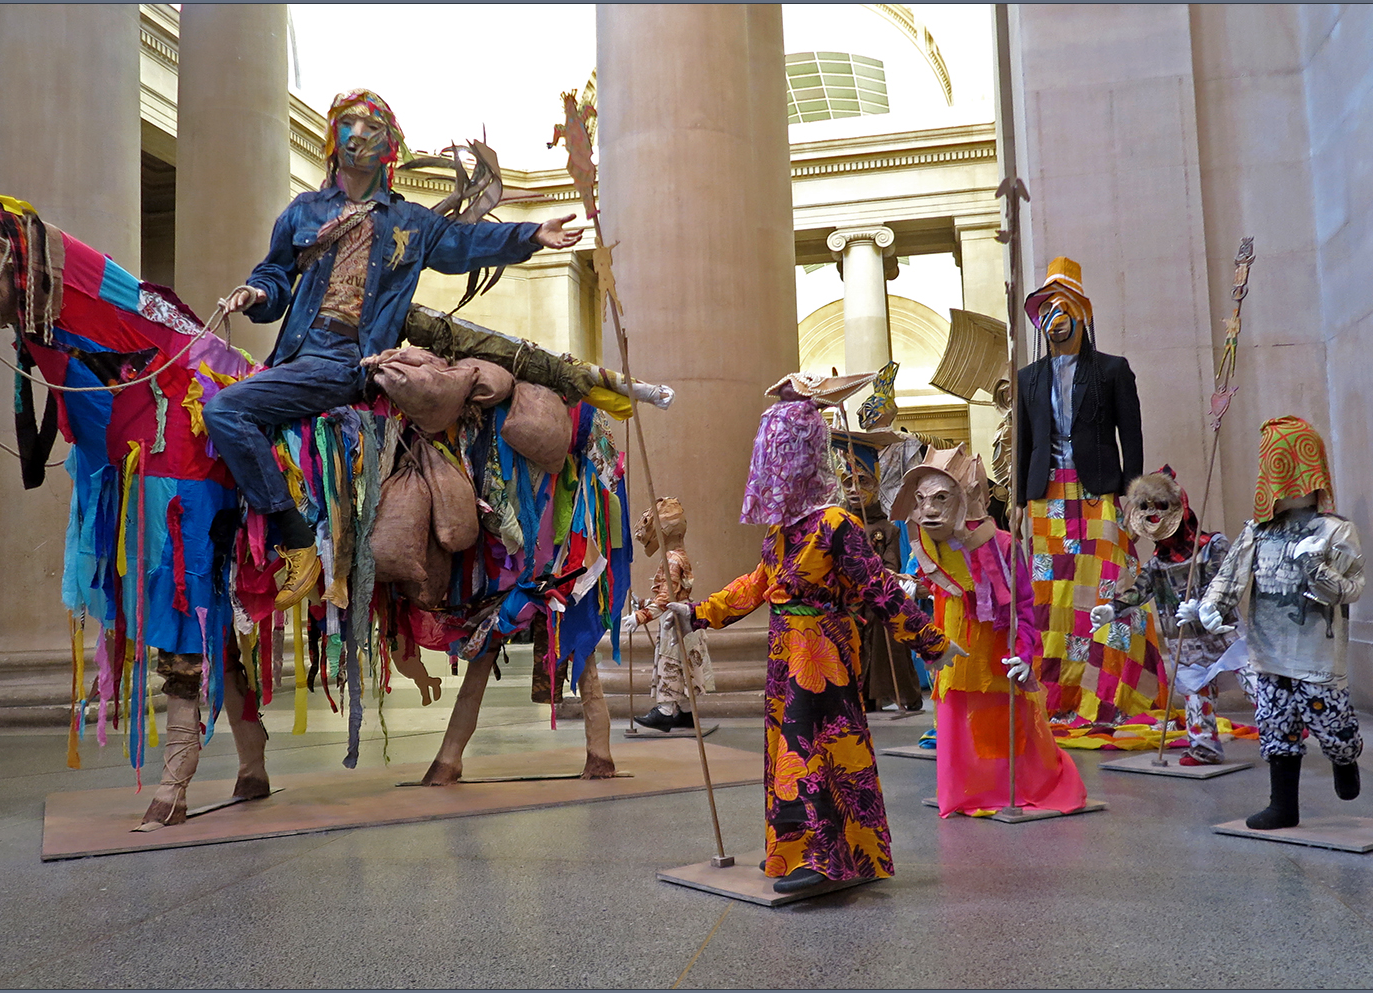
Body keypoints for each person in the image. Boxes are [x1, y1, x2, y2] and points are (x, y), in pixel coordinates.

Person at [203, 89, 582, 609]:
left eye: (370, 127)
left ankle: (294, 539)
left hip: (347, 363)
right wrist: (259, 291)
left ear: (389, 147)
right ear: (333, 137)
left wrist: (532, 233)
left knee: (224, 408)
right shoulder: (302, 211)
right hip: (294, 356)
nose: (357, 135)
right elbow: (276, 272)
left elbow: (463, 246)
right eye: (347, 125)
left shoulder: (410, 221)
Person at [669, 400, 956, 894]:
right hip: (786, 655)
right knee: (789, 749)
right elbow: (758, 584)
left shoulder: (836, 525)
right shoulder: (782, 531)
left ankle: (825, 858)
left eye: (784, 454)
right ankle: (795, 849)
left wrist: (932, 642)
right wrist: (699, 613)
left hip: (824, 652)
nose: (773, 465)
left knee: (814, 749)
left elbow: (878, 589)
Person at [1184, 416, 1365, 829]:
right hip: (1267, 653)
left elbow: (1351, 589)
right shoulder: (1258, 532)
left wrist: (1315, 566)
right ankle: (1283, 805)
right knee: (1275, 725)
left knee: (1331, 723)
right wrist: (1213, 604)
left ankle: (1344, 757)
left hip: (1316, 654)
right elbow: (1231, 576)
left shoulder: (1336, 531)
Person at [896, 444, 1088, 816]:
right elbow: (932, 584)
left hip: (994, 651)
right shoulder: (927, 547)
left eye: (941, 498)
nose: (930, 510)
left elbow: (1022, 606)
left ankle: (1009, 787)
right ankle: (966, 789)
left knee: (1002, 726)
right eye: (921, 499)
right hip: (951, 645)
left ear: (966, 497)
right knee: (954, 720)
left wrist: (1024, 652)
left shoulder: (1001, 546)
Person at [1014, 255, 1163, 725]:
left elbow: (1131, 437)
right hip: (1044, 496)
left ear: (1081, 312)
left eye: (1062, 309)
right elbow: (1023, 443)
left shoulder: (1113, 370)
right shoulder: (1028, 377)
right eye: (1046, 312)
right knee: (1051, 594)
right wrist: (1018, 501)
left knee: (1107, 587)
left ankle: (1111, 696)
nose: (1054, 320)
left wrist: (1136, 502)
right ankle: (1055, 696)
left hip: (1099, 493)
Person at [1091, 467, 1254, 765]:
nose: (1153, 514)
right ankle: (1204, 746)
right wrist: (1112, 609)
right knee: (1195, 694)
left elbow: (1228, 582)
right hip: (1188, 643)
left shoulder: (1211, 547)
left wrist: (1205, 606)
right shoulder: (1157, 564)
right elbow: (1139, 591)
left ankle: (1281, 733)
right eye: (1145, 508)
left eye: (1160, 506)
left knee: (1254, 683)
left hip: (1223, 634)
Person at [620, 498, 714, 731]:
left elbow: (667, 598)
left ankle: (665, 711)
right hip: (678, 616)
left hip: (675, 620)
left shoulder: (673, 559)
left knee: (671, 663)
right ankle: (682, 711)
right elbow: (669, 593)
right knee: (681, 665)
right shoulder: (675, 556)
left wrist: (640, 616)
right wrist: (642, 603)